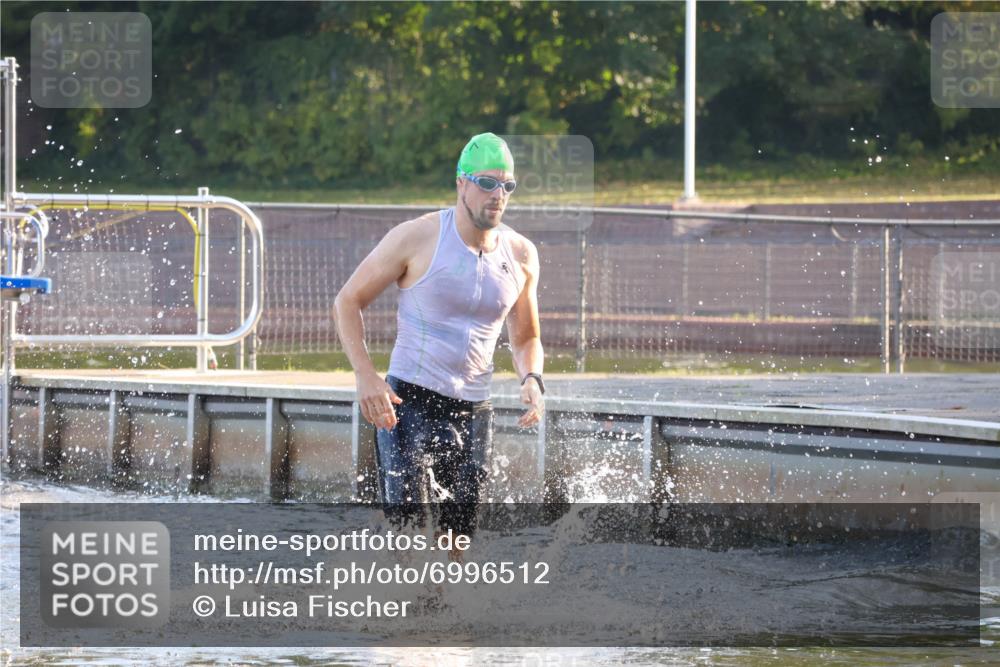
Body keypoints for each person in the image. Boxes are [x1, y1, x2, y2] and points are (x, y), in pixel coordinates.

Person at [333, 132, 545, 559]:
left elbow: (526, 337)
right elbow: (347, 301)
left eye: (507, 186)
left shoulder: (521, 254)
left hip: (473, 411)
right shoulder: (418, 237)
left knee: (456, 547)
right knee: (409, 539)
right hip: (407, 403)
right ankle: (394, 616)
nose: (497, 195)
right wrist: (366, 376)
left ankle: (447, 624)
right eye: (487, 183)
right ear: (461, 183)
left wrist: (532, 377)